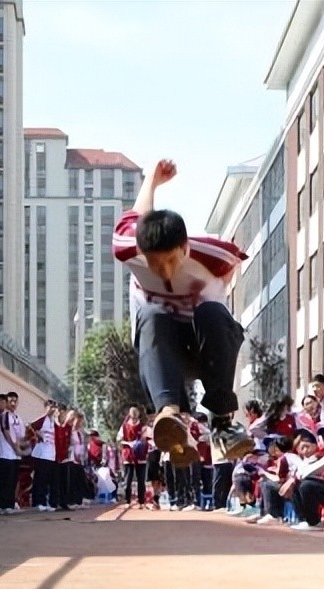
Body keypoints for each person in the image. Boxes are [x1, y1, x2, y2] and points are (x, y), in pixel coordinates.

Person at [113, 158, 253, 465]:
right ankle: (169, 414)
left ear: (186, 248)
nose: (164, 271)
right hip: (161, 350)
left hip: (203, 347)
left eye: (172, 261)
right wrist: (152, 179)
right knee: (152, 315)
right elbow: (140, 214)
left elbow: (235, 264)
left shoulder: (215, 253)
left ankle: (223, 422)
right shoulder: (128, 246)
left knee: (213, 313)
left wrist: (210, 291)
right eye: (154, 263)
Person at [120, 406, 148, 507]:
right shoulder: (124, 426)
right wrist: (129, 443)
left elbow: (147, 439)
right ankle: (127, 500)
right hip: (128, 455)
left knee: (141, 480)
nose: (134, 419)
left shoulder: (143, 427)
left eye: (136, 417)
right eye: (132, 417)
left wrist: (141, 443)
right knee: (128, 479)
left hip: (140, 456)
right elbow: (119, 439)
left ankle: (141, 501)